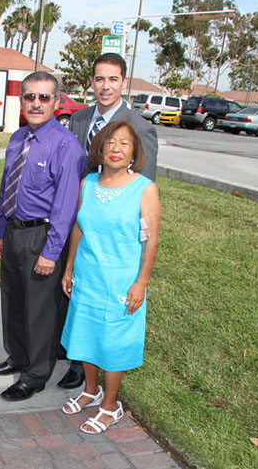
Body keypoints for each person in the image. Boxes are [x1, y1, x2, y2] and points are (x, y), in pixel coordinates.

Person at [58, 52, 159, 390]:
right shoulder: (80, 118)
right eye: (99, 79)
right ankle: (77, 359)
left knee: (110, 314)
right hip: (83, 217)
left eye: (112, 79)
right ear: (92, 82)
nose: (105, 86)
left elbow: (145, 184)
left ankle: (92, 376)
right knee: (80, 298)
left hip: (117, 231)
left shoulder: (141, 127)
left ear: (123, 82)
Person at [0, 71, 85, 401]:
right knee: (12, 300)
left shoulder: (66, 146)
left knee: (40, 309)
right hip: (14, 231)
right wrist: (1, 231)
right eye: (30, 96)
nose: (36, 103)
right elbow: (6, 187)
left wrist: (51, 252)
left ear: (57, 101)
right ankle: (18, 357)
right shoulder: (17, 139)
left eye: (44, 97)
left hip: (42, 235)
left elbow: (66, 207)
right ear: (21, 100)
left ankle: (36, 373)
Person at [60, 120, 160, 434]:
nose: (116, 149)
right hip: (87, 276)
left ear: (134, 152)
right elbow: (79, 226)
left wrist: (141, 282)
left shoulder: (145, 188)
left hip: (121, 281)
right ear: (100, 148)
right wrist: (68, 267)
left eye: (124, 143)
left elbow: (151, 239)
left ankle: (110, 406)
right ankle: (92, 390)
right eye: (110, 142)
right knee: (86, 334)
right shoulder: (88, 183)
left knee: (112, 344)